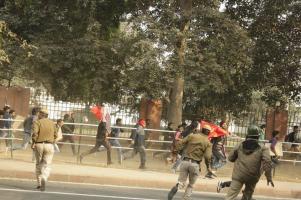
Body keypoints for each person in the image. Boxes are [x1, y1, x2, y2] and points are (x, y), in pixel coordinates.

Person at [222, 125, 274, 200]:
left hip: (238, 176)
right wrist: (269, 177)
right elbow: (267, 162)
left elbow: (230, 158)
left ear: (247, 135)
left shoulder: (240, 145)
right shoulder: (263, 148)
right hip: (253, 177)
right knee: (247, 196)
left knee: (230, 197)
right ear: (258, 136)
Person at [168, 123, 212, 200]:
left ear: (201, 130)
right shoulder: (208, 143)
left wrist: (175, 152)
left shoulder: (192, 136)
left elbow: (180, 143)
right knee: (191, 184)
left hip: (185, 162)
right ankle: (185, 198)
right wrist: (208, 167)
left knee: (181, 182)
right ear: (209, 133)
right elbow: (207, 157)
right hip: (195, 165)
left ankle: (176, 187)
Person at [31, 108, 57, 191]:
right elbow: (56, 135)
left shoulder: (37, 122)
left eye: (39, 113)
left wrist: (33, 142)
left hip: (39, 144)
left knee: (38, 164)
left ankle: (39, 183)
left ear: (42, 114)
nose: (38, 115)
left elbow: (35, 133)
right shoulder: (52, 123)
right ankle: (44, 178)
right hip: (49, 145)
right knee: (47, 164)